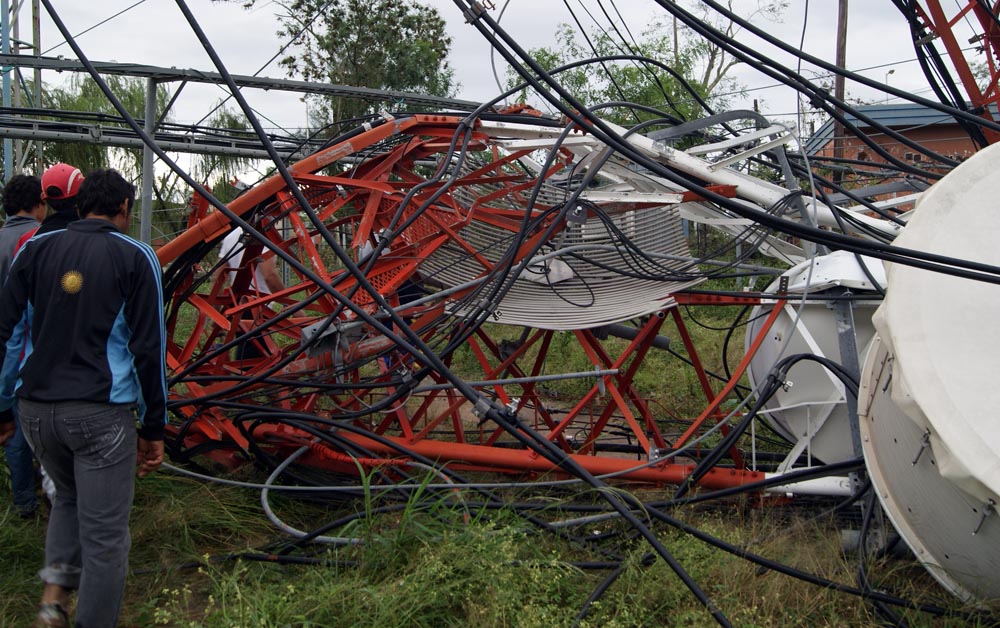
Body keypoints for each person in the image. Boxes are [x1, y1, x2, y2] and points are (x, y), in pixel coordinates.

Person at [0, 169, 167, 628]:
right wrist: (154, 427)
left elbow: (8, 334)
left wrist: (2, 407)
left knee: (68, 500)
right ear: (124, 208)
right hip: (98, 415)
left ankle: (52, 605)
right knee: (106, 539)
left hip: (35, 412)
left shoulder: (33, 249)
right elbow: (148, 348)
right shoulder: (135, 256)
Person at [0, 173, 46, 518]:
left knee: (9, 421)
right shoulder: (38, 241)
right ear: (38, 203)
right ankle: (39, 497)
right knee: (27, 423)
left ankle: (21, 499)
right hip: (26, 343)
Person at [217, 224, 284, 359]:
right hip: (257, 307)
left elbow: (218, 276)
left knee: (249, 352)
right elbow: (269, 276)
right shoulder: (263, 234)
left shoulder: (230, 236)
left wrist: (217, 312)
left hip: (239, 306)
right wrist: (289, 303)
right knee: (258, 361)